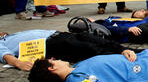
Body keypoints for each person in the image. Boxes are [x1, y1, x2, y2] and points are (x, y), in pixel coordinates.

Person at [0, 30, 135, 71]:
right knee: (91, 49)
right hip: (51, 45)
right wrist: (18, 63)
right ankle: (128, 61)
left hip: (60, 34)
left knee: (98, 41)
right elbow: (6, 55)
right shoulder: (2, 43)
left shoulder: (9, 36)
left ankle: (127, 51)